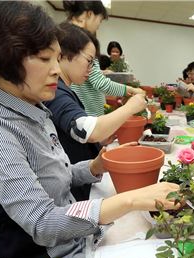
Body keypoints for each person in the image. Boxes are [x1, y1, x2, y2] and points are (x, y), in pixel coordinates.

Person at [0, 1, 178, 258]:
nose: (55, 69)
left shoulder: (31, 108)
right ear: (5, 59)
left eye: (57, 57)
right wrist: (129, 199)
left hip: (72, 247)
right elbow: (43, 222)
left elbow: (52, 177)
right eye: (44, 58)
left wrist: (93, 167)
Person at [43, 23, 147, 200]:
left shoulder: (65, 90)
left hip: (76, 177)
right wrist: (131, 106)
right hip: (70, 192)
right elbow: (87, 130)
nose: (91, 69)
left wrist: (98, 142)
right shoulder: (56, 93)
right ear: (63, 55)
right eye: (89, 61)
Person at [63, 1, 144, 117]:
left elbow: (88, 74)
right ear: (89, 14)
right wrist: (131, 90)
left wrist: (100, 72)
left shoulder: (65, 33)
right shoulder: (81, 40)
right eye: (99, 21)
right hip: (87, 112)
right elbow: (99, 83)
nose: (98, 26)